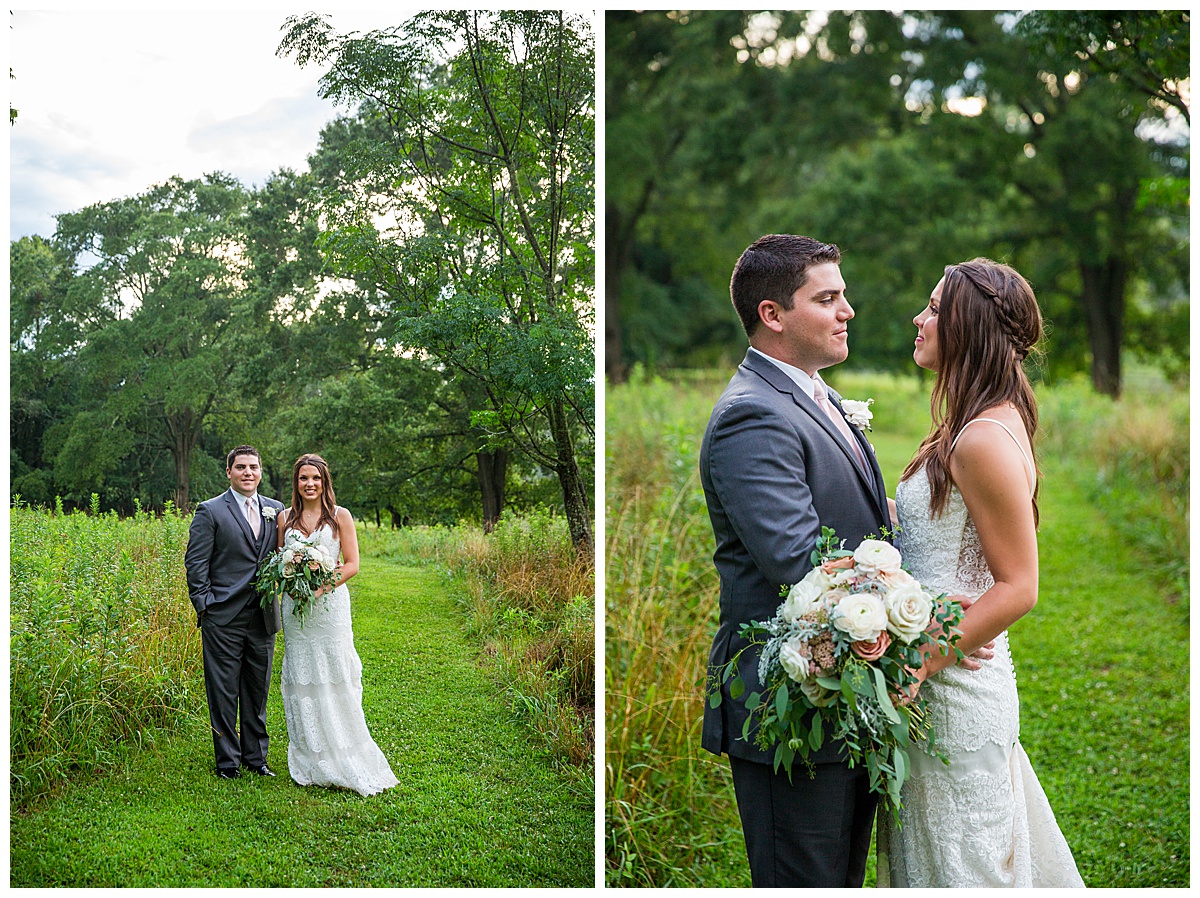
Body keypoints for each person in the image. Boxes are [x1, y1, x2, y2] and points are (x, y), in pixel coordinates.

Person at [877, 259, 1084, 887]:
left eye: (935, 308)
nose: (919, 319)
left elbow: (1019, 587)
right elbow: (930, 532)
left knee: (964, 863)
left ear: (968, 326)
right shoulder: (975, 422)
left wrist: (920, 664)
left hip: (954, 687)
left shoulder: (982, 438)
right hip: (941, 666)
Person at [699, 234, 893, 886]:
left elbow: (863, 521)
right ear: (773, 314)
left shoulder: (814, 395)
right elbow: (798, 558)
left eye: (844, 296)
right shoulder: (749, 416)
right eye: (829, 298)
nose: (848, 311)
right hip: (788, 701)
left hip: (845, 689)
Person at [275, 453, 398, 796]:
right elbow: (277, 563)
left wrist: (319, 588)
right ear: (296, 483)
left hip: (330, 609)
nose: (309, 483)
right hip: (297, 612)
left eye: (315, 477)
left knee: (335, 674)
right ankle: (310, 757)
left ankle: (345, 750)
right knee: (303, 675)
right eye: (303, 478)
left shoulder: (340, 516)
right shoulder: (285, 518)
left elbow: (353, 564)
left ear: (324, 481)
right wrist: (293, 584)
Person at [185, 445, 285, 779]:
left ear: (260, 471)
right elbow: (196, 563)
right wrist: (205, 606)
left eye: (253, 467)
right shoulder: (210, 511)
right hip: (222, 616)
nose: (247, 473)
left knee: (257, 690)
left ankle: (256, 758)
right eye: (240, 467)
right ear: (228, 472)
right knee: (224, 691)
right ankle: (228, 762)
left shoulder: (276, 509)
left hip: (262, 615)